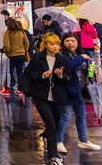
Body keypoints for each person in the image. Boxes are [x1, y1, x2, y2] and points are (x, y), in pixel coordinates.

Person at [25, 33, 70, 165]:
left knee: (54, 125)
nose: (55, 47)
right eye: (52, 44)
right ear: (46, 45)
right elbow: (28, 73)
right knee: (51, 125)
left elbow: (68, 78)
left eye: (57, 44)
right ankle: (53, 156)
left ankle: (45, 137)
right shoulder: (37, 57)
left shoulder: (62, 60)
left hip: (57, 97)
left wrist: (61, 76)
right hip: (41, 96)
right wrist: (42, 75)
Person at [56, 33, 101, 153]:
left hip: (78, 91)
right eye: (67, 41)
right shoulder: (62, 56)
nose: (70, 43)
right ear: (63, 43)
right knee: (65, 116)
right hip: (68, 91)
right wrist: (81, 57)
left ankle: (83, 140)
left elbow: (84, 70)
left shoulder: (79, 54)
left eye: (73, 41)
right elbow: (69, 66)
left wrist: (92, 72)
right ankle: (58, 141)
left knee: (81, 116)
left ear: (77, 43)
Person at [2, 19, 30, 96]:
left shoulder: (7, 33)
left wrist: (6, 52)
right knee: (20, 73)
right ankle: (20, 90)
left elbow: (7, 46)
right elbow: (27, 42)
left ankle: (7, 89)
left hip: (12, 56)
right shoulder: (21, 32)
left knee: (9, 72)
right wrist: (24, 50)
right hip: (21, 55)